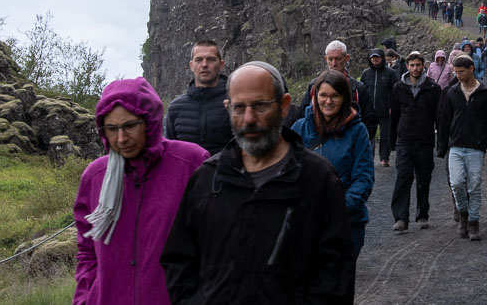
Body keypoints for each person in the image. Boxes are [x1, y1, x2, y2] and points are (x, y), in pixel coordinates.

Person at [161, 62, 353, 303]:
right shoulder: (207, 179)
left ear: (284, 106)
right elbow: (179, 260)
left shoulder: (317, 178)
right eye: (239, 107)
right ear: (227, 108)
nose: (249, 118)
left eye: (260, 105)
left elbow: (336, 273)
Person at [74, 77, 209, 305]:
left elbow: (214, 245)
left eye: (129, 126)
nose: (121, 139)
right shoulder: (95, 176)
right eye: (111, 128)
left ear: (150, 121)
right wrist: (85, 298)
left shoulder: (191, 163)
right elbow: (87, 251)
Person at [292, 70, 374, 262]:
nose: (328, 101)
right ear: (315, 95)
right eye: (323, 95)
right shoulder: (299, 128)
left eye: (334, 96)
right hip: (306, 224)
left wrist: (339, 209)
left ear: (344, 98)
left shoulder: (357, 131)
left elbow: (363, 177)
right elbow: (289, 173)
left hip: (346, 224)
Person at [436, 56, 487, 241]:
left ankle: (473, 222)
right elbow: (444, 120)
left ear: (471, 69)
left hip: (476, 147)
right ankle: (463, 214)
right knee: (456, 183)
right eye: (455, 72)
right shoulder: (452, 93)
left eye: (461, 71)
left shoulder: (485, 93)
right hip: (455, 146)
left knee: (474, 185)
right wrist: (441, 147)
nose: (458, 75)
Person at [389, 51, 442, 233]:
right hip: (404, 140)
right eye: (412, 65)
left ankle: (422, 215)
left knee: (423, 178)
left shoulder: (433, 88)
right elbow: (394, 116)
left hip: (425, 140)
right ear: (407, 66)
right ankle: (401, 217)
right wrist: (391, 142)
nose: (415, 68)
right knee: (403, 176)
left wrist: (440, 142)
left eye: (418, 65)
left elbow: (438, 117)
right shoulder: (398, 88)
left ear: (423, 66)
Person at [163, 40, 233, 154]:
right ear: (191, 65)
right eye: (199, 60)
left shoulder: (236, 103)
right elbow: (170, 154)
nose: (204, 64)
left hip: (226, 171)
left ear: (221, 65)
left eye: (211, 59)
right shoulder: (175, 108)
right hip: (187, 172)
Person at [299, 40, 368, 116]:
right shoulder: (314, 85)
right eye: (330, 59)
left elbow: (369, 119)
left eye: (338, 59)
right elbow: (303, 113)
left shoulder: (357, 88)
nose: (334, 64)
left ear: (347, 58)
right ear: (325, 59)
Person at [359, 48, 398, 166]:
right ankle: (368, 159)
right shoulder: (365, 74)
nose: (375, 59)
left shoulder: (390, 73)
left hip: (385, 109)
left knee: (385, 135)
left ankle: (384, 158)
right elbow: (361, 92)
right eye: (372, 57)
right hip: (369, 110)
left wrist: (393, 106)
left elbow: (395, 92)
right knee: (368, 135)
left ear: (382, 58)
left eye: (377, 57)